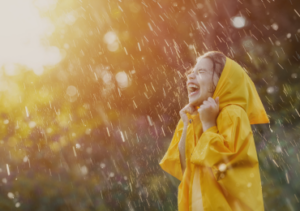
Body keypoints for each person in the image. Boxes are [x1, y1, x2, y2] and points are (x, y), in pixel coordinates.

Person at [159, 51, 269, 211]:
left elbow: (226, 168)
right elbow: (184, 168)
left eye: (201, 72)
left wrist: (209, 124)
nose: (190, 77)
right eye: (191, 73)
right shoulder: (193, 117)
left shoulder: (232, 113)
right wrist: (187, 122)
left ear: (223, 82)